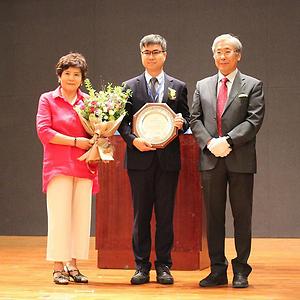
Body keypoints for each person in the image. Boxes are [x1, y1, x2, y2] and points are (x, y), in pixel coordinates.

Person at [190, 34, 265, 288]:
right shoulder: (203, 85)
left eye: (227, 52)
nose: (222, 56)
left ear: (238, 55)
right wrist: (209, 142)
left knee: (242, 216)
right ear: (213, 56)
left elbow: (254, 120)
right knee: (213, 216)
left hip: (240, 159)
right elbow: (195, 119)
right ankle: (217, 270)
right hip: (211, 159)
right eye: (218, 52)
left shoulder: (252, 85)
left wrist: (229, 141)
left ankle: (241, 270)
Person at [118, 34, 190, 285]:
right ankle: (141, 266)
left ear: (165, 55)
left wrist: (182, 123)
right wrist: (132, 140)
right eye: (146, 52)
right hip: (139, 159)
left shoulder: (178, 86)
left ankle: (163, 266)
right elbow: (122, 123)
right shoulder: (128, 86)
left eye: (156, 52)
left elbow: (186, 118)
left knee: (165, 215)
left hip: (168, 161)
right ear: (141, 55)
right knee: (140, 215)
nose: (151, 56)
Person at [36, 52, 99, 285]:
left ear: (82, 78)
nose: (72, 78)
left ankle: (73, 265)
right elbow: (44, 132)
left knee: (80, 217)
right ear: (59, 76)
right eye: (67, 74)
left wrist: (97, 138)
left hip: (84, 165)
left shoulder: (89, 102)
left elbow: (97, 131)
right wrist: (75, 142)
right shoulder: (47, 99)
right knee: (59, 216)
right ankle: (57, 266)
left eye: (76, 74)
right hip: (58, 166)